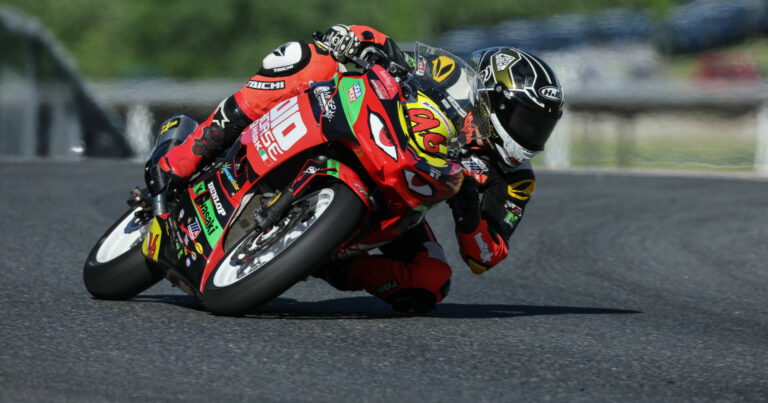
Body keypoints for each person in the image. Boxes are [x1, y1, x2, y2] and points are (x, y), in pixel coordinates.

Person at [145, 24, 564, 313]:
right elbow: (389, 48)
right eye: (525, 121)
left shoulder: (514, 180)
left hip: (402, 202)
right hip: (376, 138)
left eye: (540, 127)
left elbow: (485, 256)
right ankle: (189, 154)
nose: (530, 136)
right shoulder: (451, 76)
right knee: (303, 60)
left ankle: (321, 258)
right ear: (494, 100)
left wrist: (470, 212)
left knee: (431, 281)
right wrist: (357, 42)